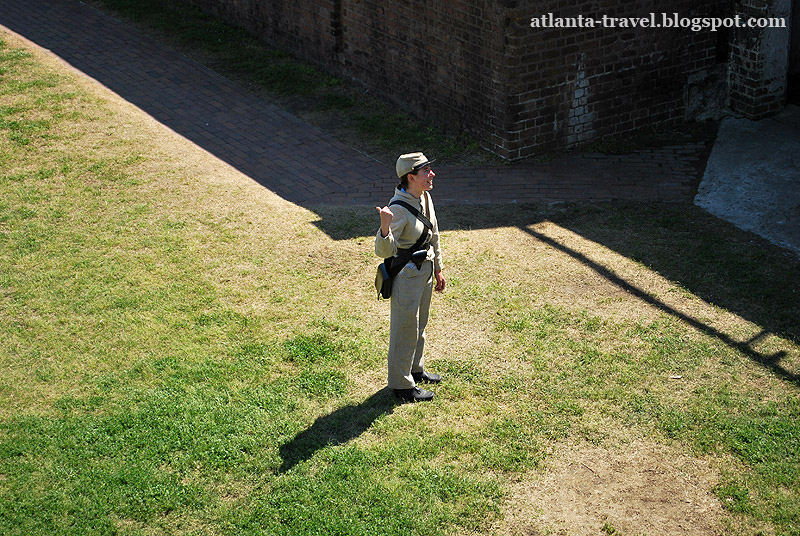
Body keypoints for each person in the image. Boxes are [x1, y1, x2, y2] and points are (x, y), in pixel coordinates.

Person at [375, 152, 446, 402]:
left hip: (425, 273)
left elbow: (433, 235)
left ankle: (416, 369)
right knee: (405, 329)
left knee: (420, 324)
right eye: (426, 171)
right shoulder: (397, 209)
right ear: (410, 177)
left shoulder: (425, 197)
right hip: (406, 278)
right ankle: (401, 385)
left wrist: (438, 268)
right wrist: (385, 227)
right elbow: (383, 251)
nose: (432, 174)